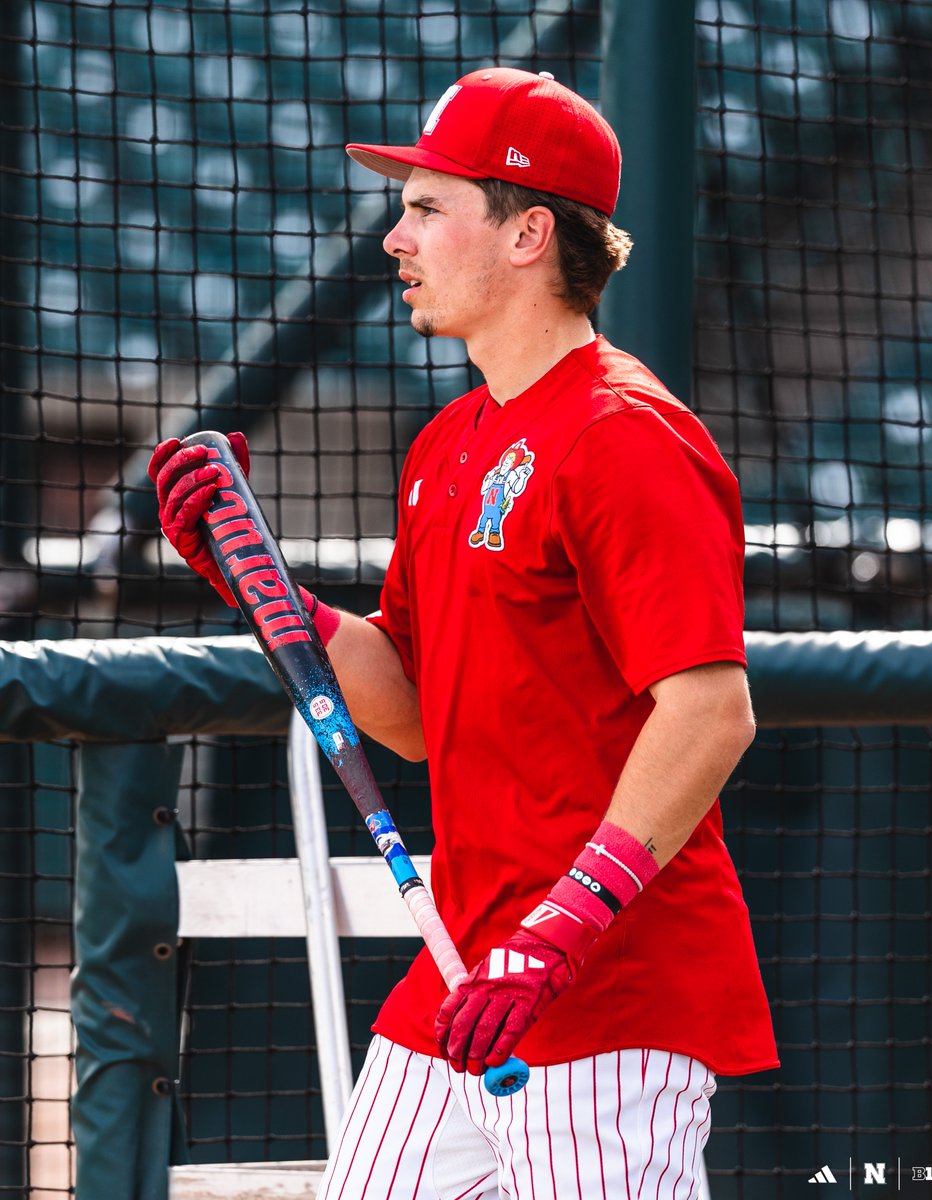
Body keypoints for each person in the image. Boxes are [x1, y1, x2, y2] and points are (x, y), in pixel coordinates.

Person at [150, 67, 778, 1200]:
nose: (396, 239)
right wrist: (264, 591)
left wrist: (560, 931)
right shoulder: (449, 443)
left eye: (429, 207)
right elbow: (411, 714)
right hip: (463, 979)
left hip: (608, 998)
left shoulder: (626, 437)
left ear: (531, 231)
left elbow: (710, 708)